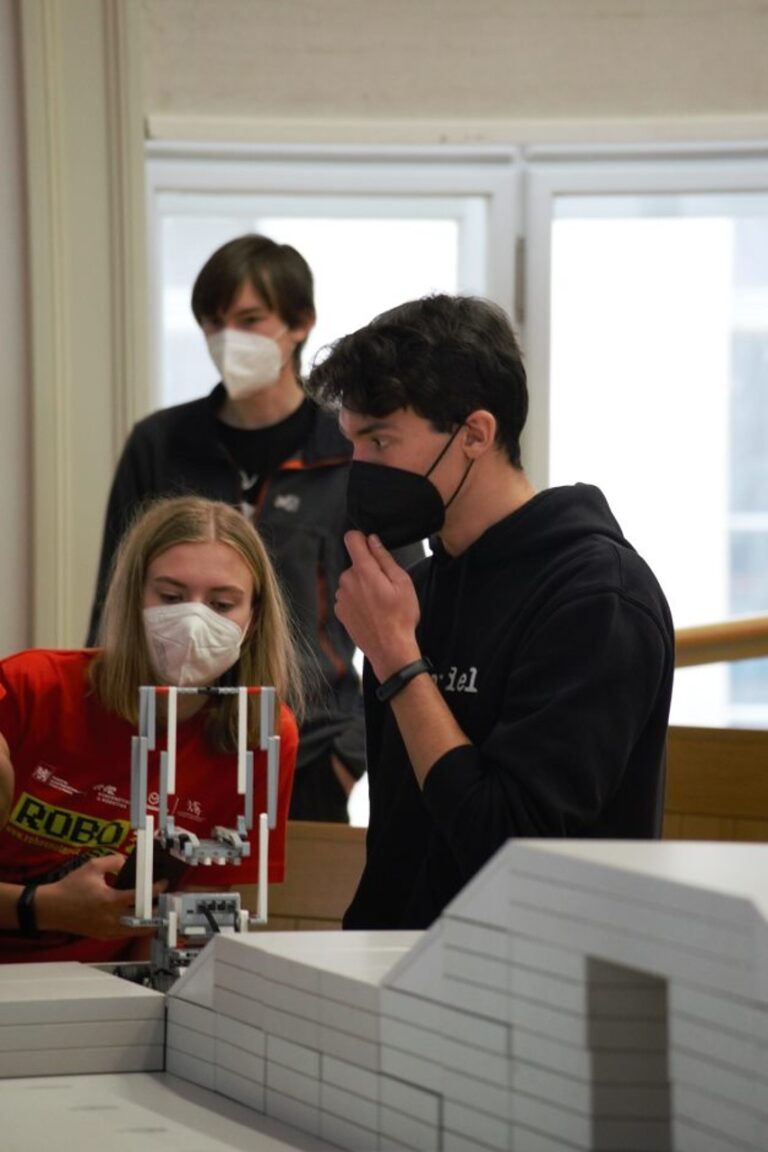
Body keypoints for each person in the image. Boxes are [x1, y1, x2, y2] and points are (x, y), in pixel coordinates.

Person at [306, 293, 675, 930]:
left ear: (476, 434)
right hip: (395, 964)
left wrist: (399, 663)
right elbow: (398, 843)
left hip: (535, 973)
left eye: (381, 440)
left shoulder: (598, 599)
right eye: (353, 442)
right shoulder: (419, 590)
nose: (360, 468)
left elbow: (507, 848)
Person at [87, 234, 420, 823]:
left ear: (299, 323)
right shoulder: (160, 444)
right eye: (213, 323)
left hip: (310, 752)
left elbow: (412, 611)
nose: (227, 339)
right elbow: (113, 607)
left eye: (248, 320)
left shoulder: (353, 453)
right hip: (167, 745)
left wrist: (349, 756)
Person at [0, 495, 301, 963]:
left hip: (108, 978)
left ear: (254, 616)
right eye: (171, 597)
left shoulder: (259, 733)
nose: (193, 623)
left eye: (222, 604)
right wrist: (42, 907)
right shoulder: (29, 689)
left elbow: (193, 907)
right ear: (134, 596)